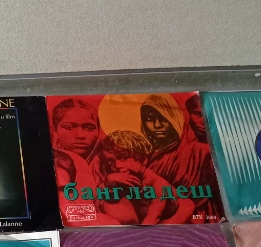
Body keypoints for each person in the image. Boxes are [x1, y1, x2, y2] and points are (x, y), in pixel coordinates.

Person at [146, 93, 221, 223]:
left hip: (196, 219)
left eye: (163, 118)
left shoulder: (204, 152)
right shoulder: (147, 153)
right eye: (149, 119)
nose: (157, 125)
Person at [89, 131, 178, 225]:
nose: (117, 165)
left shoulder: (157, 184)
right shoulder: (125, 179)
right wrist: (109, 182)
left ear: (143, 160)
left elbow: (153, 217)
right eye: (110, 162)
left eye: (123, 158)